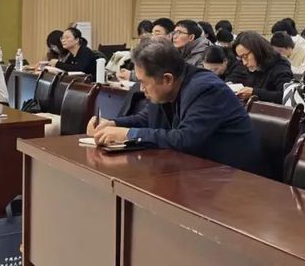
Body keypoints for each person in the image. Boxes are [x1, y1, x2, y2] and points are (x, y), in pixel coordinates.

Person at [90, 37, 264, 173]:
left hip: (235, 178)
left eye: (144, 83)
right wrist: (113, 124)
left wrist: (128, 134)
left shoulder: (206, 89)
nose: (141, 89)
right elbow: (147, 118)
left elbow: (185, 139)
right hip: (198, 172)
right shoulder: (170, 87)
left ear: (167, 79)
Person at [228, 32, 293, 104]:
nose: (244, 62)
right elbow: (232, 79)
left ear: (257, 50)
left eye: (245, 57)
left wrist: (254, 92)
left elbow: (284, 95)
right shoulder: (243, 65)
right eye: (241, 58)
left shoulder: (280, 65)